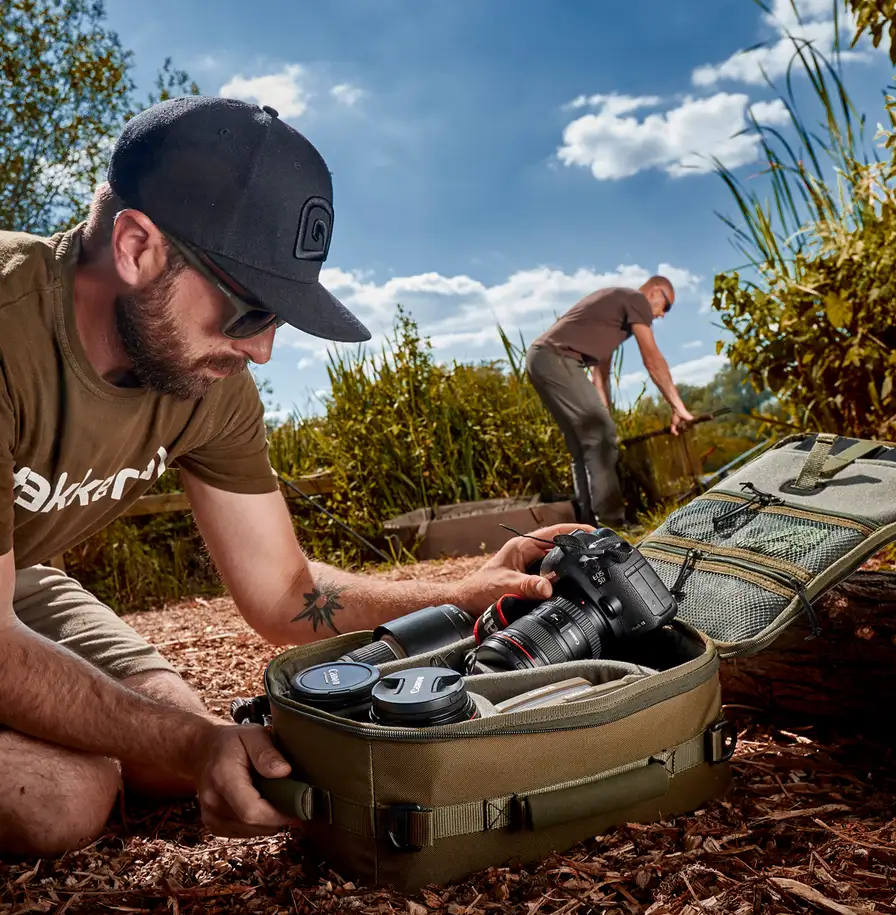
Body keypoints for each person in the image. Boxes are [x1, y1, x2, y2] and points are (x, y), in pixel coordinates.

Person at [0, 96, 587, 858]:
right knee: (63, 799)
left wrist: (463, 592)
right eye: (249, 311)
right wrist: (190, 744)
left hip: (19, 579)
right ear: (138, 247)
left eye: (279, 316)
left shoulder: (205, 382)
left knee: (171, 736)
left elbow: (284, 594)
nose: (263, 351)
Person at [526, 278, 695, 528]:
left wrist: (604, 412)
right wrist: (678, 407)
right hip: (556, 358)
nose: (661, 315)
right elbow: (652, 358)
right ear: (655, 293)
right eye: (666, 306)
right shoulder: (636, 299)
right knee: (601, 438)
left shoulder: (612, 315)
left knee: (584, 445)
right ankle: (611, 522)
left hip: (540, 360)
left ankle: (587, 524)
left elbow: (600, 373)